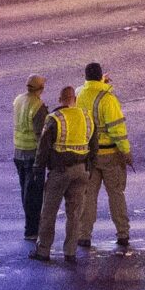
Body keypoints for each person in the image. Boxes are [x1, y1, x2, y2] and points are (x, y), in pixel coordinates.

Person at [33, 86, 92, 262]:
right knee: (74, 213)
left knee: (49, 212)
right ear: (75, 98)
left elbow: (43, 148)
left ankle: (43, 250)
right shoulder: (87, 117)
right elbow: (93, 145)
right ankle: (70, 252)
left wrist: (38, 169)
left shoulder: (55, 118)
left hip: (60, 171)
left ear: (60, 99)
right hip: (81, 170)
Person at [80, 63, 134, 255]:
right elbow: (118, 129)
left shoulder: (80, 95)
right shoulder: (108, 99)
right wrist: (126, 152)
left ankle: (83, 235)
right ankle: (122, 234)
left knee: (88, 197)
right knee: (116, 195)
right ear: (101, 76)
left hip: (88, 155)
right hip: (110, 155)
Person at [11, 75, 47, 244]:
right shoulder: (38, 105)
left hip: (18, 152)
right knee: (33, 194)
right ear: (40, 88)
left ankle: (30, 227)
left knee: (25, 192)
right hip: (32, 154)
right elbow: (41, 135)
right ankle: (32, 230)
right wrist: (44, 158)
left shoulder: (18, 100)